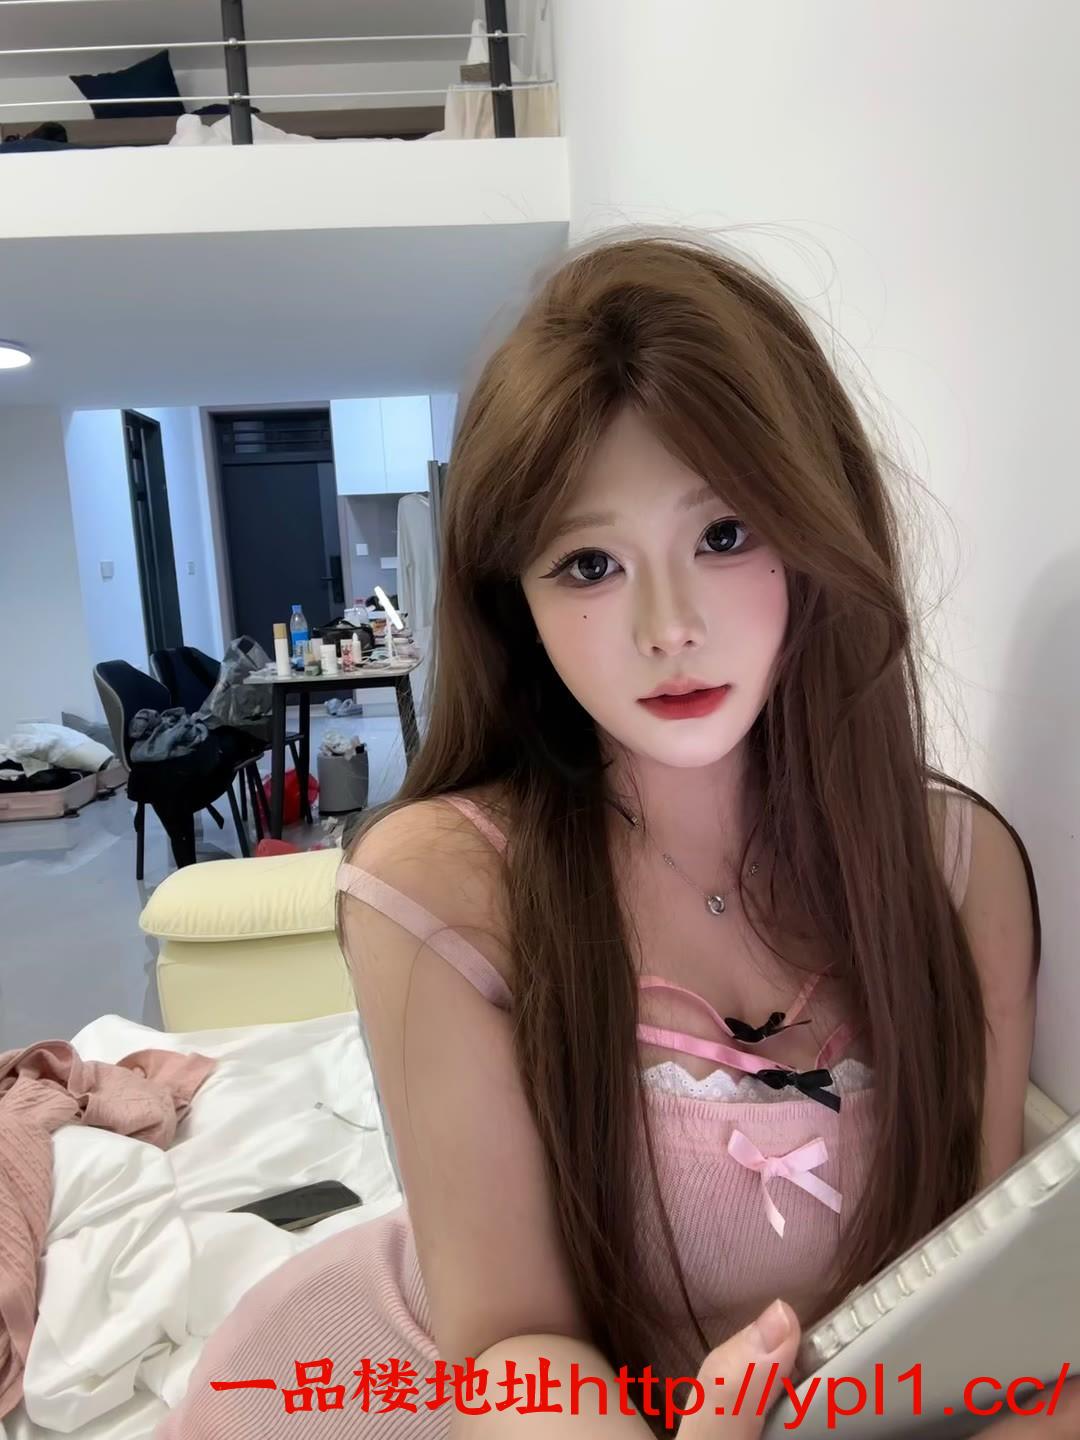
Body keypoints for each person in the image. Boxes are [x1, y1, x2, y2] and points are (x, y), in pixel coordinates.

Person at [157, 234, 1051, 1439]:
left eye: (724, 534)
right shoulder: (441, 887)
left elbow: (983, 1302)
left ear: (816, 527)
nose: (667, 628)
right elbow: (511, 1351)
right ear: (514, 604)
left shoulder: (956, 870)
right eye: (589, 563)